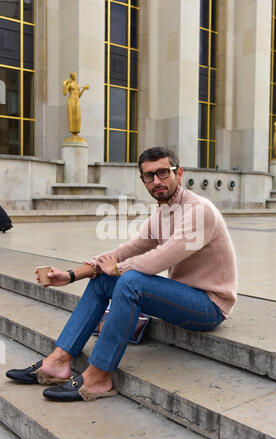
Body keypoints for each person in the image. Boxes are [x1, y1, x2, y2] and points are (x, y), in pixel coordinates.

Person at [6, 147, 237, 402]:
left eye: (163, 172)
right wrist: (73, 274)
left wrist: (118, 269)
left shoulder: (199, 211)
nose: (157, 181)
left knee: (130, 280)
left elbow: (161, 258)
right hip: (181, 298)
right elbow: (126, 251)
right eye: (149, 176)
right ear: (143, 181)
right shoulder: (162, 214)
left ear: (178, 173)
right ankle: (58, 361)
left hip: (209, 305)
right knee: (104, 280)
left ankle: (99, 376)